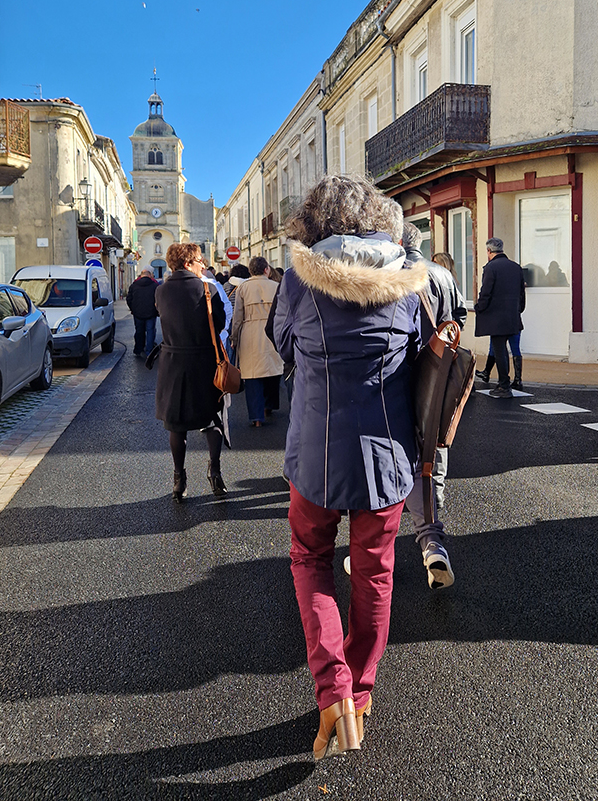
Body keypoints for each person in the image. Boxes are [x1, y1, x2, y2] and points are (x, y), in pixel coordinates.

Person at [273, 174, 427, 761]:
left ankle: (333, 691)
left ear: (316, 220)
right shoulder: (408, 282)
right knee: (375, 575)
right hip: (386, 458)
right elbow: (415, 356)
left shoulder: (299, 281)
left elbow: (285, 346)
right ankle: (359, 696)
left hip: (315, 452)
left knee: (310, 559)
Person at [401, 221, 466, 589]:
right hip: (438, 373)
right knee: (434, 445)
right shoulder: (441, 273)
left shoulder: (393, 272)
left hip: (402, 373)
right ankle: (433, 518)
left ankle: (376, 545)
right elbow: (459, 317)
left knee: (396, 453)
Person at [154, 243, 228, 501]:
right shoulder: (207, 289)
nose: (203, 265)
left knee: (176, 424)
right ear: (187, 263)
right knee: (213, 419)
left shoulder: (161, 291)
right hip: (204, 362)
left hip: (173, 363)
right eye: (199, 261)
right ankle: (215, 473)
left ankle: (179, 479)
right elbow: (219, 324)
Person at [230, 257, 283, 426]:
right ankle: (269, 405)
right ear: (266, 269)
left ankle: (256, 417)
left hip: (250, 332)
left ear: (250, 271)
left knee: (252, 376)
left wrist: (234, 338)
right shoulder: (277, 286)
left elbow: (238, 317)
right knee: (273, 369)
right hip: (272, 331)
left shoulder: (243, 288)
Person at [474, 237, 526, 399]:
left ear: (489, 251)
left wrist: (479, 307)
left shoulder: (491, 267)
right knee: (506, 350)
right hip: (512, 316)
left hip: (496, 318)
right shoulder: (516, 267)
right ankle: (507, 382)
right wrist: (518, 310)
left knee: (500, 351)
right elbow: (521, 293)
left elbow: (486, 292)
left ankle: (504, 385)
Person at [126, 268, 158, 358]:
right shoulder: (154, 285)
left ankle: (138, 349)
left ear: (141, 275)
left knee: (139, 331)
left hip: (138, 313)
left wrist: (133, 309)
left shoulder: (134, 285)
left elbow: (129, 299)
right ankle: (149, 351)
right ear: (150, 275)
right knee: (150, 331)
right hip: (151, 313)